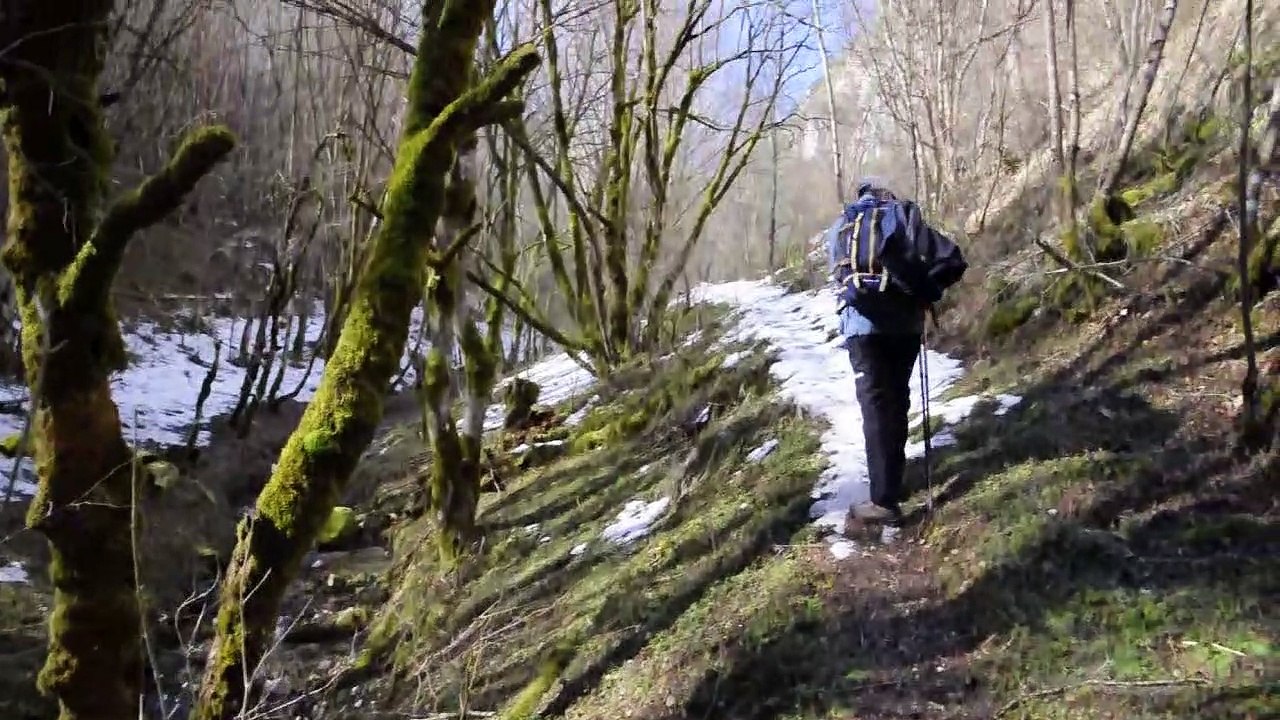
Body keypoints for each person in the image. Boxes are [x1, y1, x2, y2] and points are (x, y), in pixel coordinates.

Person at [824, 178, 967, 525]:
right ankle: (890, 486)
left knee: (876, 405)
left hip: (861, 328)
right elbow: (951, 259)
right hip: (903, 326)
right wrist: (926, 291)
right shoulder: (903, 215)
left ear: (860, 198)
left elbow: (838, 277)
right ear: (887, 195)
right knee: (898, 399)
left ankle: (883, 500)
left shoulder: (841, 226)